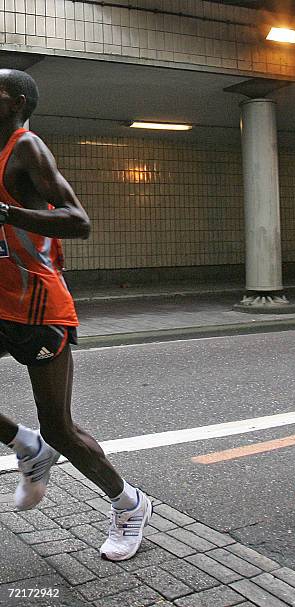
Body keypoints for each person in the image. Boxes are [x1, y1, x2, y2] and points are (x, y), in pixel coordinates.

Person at [0, 69, 151, 560]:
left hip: (39, 306)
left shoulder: (27, 148)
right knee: (42, 436)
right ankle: (26, 447)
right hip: (0, 302)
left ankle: (129, 504)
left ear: (18, 102)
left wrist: (11, 214)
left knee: (59, 427)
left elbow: (78, 222)